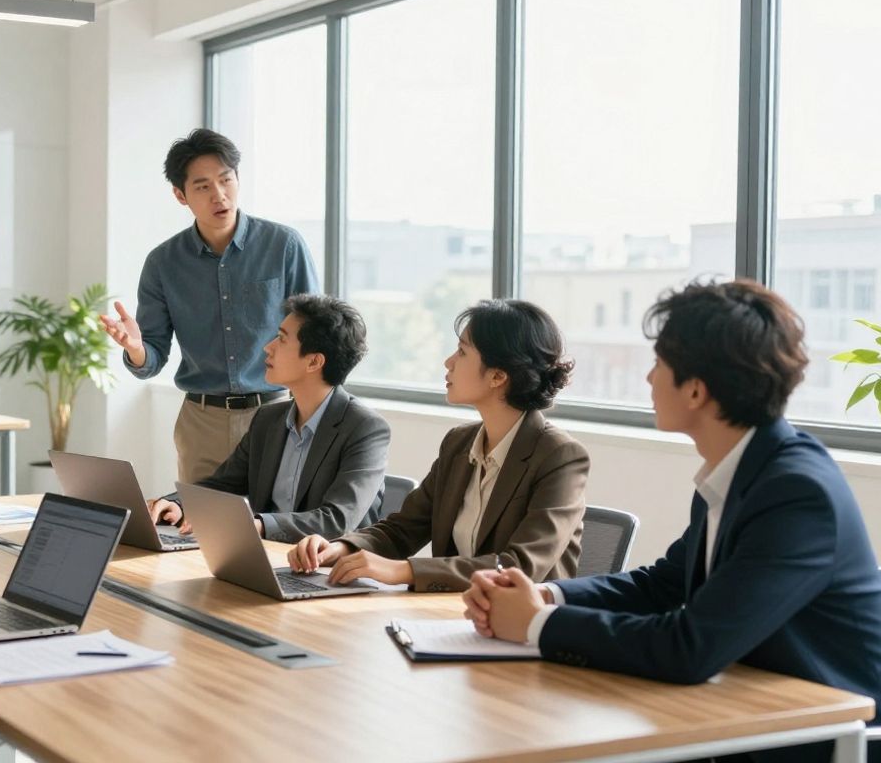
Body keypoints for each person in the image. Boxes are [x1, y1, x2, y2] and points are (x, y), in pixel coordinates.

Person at [464, 280, 881, 763]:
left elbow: (690, 647)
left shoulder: (797, 492)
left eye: (659, 365)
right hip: (740, 721)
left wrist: (537, 623)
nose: (649, 380)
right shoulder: (737, 472)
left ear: (695, 390)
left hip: (826, 745)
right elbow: (662, 585)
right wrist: (543, 593)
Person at [288, 300, 589, 592]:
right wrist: (340, 547)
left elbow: (520, 566)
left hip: (521, 627)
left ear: (498, 375)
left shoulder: (560, 456)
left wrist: (403, 570)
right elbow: (404, 529)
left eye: (462, 351)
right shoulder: (459, 443)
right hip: (451, 614)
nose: (449, 362)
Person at [100, 128, 320, 483]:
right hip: (202, 422)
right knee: (195, 529)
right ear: (180, 195)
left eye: (225, 180)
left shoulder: (284, 246)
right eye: (202, 186)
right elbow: (151, 360)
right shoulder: (163, 263)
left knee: (277, 526)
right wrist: (137, 349)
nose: (219, 195)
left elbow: (315, 334)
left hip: (277, 414)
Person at [148, 294, 389, 543]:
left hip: (330, 570)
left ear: (314, 362)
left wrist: (258, 525)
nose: (268, 346)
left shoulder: (365, 428)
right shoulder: (268, 418)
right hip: (266, 558)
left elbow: (337, 520)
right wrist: (179, 504)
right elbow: (222, 485)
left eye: (282, 339)